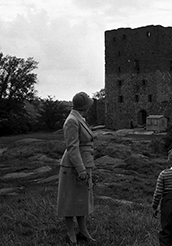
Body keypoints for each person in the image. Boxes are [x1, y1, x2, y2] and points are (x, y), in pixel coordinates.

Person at [57, 92, 96, 246]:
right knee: (69, 200)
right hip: (73, 165)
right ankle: (71, 233)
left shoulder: (79, 118)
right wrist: (81, 169)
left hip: (84, 162)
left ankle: (83, 230)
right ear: (84, 106)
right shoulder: (72, 121)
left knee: (82, 200)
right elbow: (72, 148)